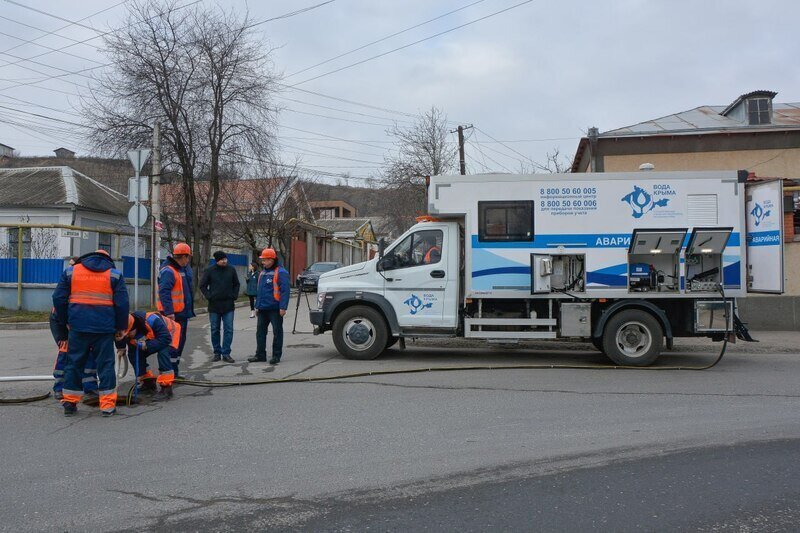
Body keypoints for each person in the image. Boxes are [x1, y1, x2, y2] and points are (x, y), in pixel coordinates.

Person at [52, 249, 129, 417]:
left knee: (74, 364)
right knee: (106, 366)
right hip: (104, 329)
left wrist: (66, 320)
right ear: (108, 260)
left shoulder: (71, 272)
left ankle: (70, 404)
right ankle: (107, 406)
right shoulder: (114, 275)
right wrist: (120, 327)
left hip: (77, 327)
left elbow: (58, 298)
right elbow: (122, 304)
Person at [116, 311, 181, 402]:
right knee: (133, 354)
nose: (128, 336)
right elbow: (119, 336)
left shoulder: (152, 320)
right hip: (154, 337)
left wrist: (147, 345)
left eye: (129, 333)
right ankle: (148, 383)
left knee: (163, 353)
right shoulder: (126, 328)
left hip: (170, 334)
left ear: (134, 327)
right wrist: (121, 347)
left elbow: (165, 338)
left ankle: (166, 388)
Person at [157, 243, 195, 378]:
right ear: (183, 257)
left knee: (179, 343)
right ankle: (169, 372)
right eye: (188, 257)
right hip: (173, 315)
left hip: (181, 314)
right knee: (172, 344)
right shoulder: (169, 270)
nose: (188, 260)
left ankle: (174, 372)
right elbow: (164, 292)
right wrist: (169, 312)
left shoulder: (179, 269)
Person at [248, 248, 290, 365]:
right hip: (262, 309)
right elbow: (260, 292)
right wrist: (257, 306)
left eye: (265, 260)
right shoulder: (262, 273)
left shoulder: (281, 272)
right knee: (260, 332)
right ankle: (260, 354)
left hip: (275, 309)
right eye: (263, 260)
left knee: (277, 332)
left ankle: (276, 355)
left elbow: (285, 291)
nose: (263, 262)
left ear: (271, 260)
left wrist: (283, 307)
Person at [199, 251, 240, 363]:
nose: (225, 261)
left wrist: (234, 296)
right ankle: (217, 352)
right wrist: (209, 296)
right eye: (222, 259)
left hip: (228, 305)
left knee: (229, 330)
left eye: (225, 259)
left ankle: (226, 353)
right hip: (214, 306)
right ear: (217, 260)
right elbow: (202, 285)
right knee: (214, 330)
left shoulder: (231, 270)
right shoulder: (210, 271)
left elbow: (236, 284)